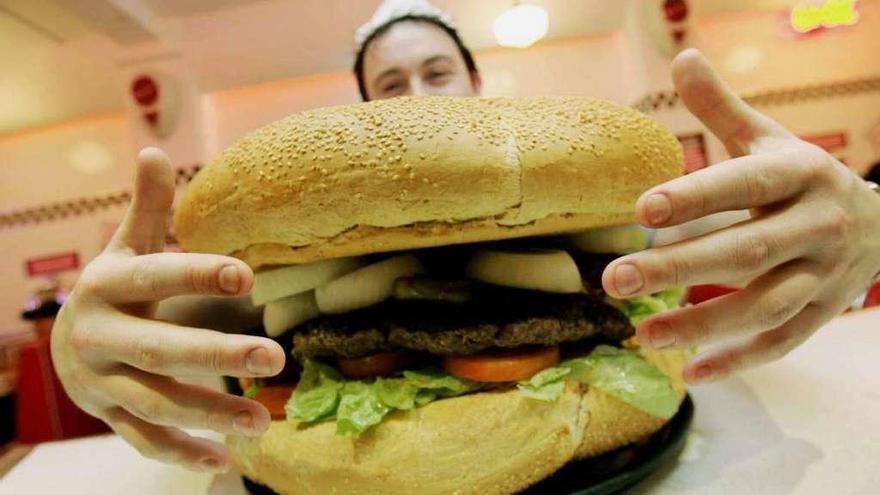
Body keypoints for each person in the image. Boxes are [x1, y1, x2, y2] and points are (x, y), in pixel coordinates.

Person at [50, 0, 880, 472]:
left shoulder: (593, 177)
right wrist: (87, 338)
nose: (416, 94)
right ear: (365, 108)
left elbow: (720, 224)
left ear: (476, 84)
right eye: (390, 84)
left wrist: (863, 216)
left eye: (436, 73)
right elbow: (205, 312)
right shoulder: (313, 220)